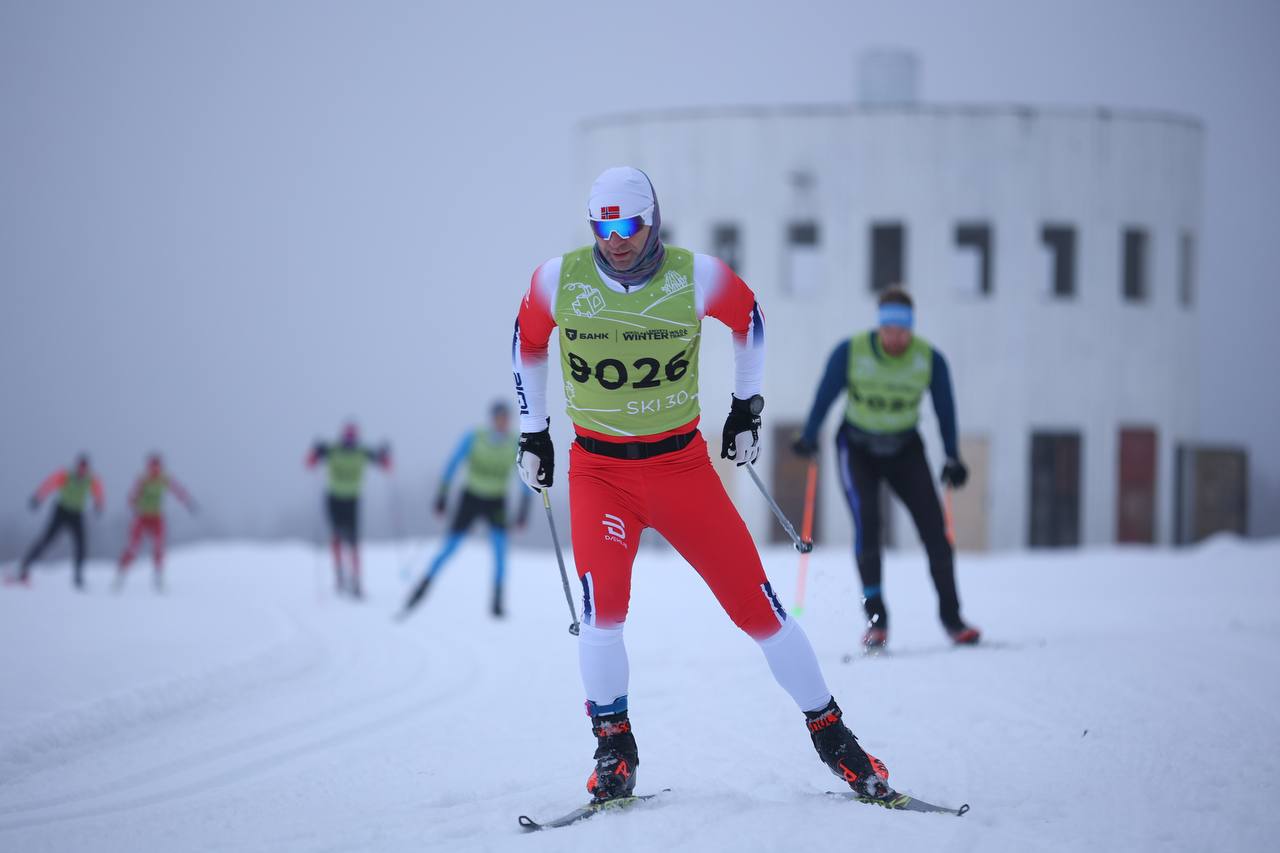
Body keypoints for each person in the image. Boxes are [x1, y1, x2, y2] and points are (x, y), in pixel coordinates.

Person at [511, 166, 895, 804]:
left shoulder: (696, 276)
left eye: (630, 226)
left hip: (680, 470)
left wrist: (746, 407)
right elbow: (526, 342)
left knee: (759, 610)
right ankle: (614, 749)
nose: (617, 241)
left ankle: (835, 739)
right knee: (602, 615)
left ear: (653, 221)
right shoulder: (558, 279)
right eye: (603, 228)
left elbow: (751, 321)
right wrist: (533, 432)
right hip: (601, 473)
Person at [793, 287, 980, 651]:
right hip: (856, 448)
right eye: (889, 330)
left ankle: (953, 619)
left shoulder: (929, 360)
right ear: (879, 327)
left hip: (904, 449)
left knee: (935, 531)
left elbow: (945, 409)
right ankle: (877, 622)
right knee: (868, 525)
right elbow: (825, 395)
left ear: (911, 329)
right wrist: (809, 435)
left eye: (902, 331)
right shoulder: (851, 352)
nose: (895, 338)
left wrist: (952, 456)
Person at [399, 401, 531, 620]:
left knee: (500, 550)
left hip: (496, 501)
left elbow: (523, 475)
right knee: (450, 547)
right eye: (499, 418)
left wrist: (524, 508)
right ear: (492, 419)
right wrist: (442, 495)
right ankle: (420, 590)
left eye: (506, 419)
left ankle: (497, 604)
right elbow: (453, 463)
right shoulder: (475, 437)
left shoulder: (514, 442)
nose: (502, 423)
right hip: (471, 498)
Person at [306, 422, 391, 598]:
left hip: (353, 500)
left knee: (353, 541)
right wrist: (315, 452)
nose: (350, 441)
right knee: (336, 536)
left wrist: (385, 455)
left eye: (353, 437)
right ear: (342, 436)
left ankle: (356, 580)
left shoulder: (362, 451)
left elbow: (383, 464)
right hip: (334, 499)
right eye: (347, 437)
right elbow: (310, 462)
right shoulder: (332, 450)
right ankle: (339, 575)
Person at [14, 454, 104, 589]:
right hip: (61, 511)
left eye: (84, 468)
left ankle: (78, 577)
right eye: (80, 467)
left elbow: (99, 492)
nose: (82, 470)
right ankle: (24, 567)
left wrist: (99, 505)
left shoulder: (91, 479)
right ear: (77, 466)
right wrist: (38, 497)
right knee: (46, 540)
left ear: (87, 468)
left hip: (77, 514)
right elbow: (49, 484)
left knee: (81, 545)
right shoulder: (66, 475)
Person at [114, 454, 197, 592]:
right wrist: (133, 503)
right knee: (133, 547)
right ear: (148, 467)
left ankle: (158, 578)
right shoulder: (143, 479)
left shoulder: (164, 478)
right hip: (142, 517)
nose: (155, 470)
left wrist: (188, 502)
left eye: (157, 467)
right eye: (152, 467)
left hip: (157, 517)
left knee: (159, 547)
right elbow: (132, 495)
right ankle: (121, 574)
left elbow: (177, 490)